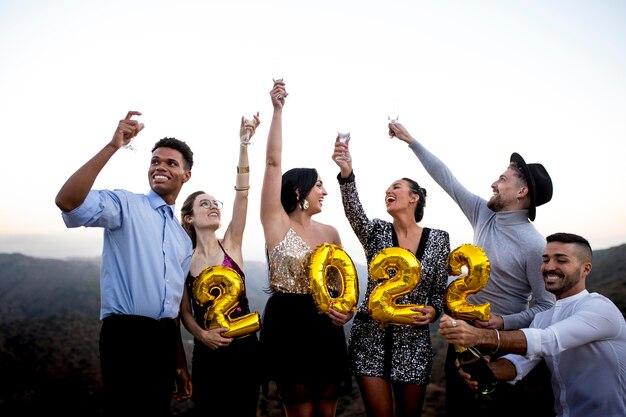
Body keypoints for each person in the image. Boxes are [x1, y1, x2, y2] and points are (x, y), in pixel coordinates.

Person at [388, 122, 556, 416]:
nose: (493, 183)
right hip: (462, 336)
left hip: (503, 347)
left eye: (502, 179)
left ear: (522, 191)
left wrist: (504, 321)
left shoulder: (534, 245)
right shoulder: (484, 213)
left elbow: (546, 306)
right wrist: (411, 141)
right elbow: (447, 179)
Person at [55, 111, 194, 417]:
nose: (160, 166)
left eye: (171, 163)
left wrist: (180, 365)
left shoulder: (183, 239)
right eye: (155, 161)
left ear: (186, 176)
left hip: (162, 341)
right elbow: (67, 201)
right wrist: (112, 146)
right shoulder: (124, 205)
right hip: (125, 336)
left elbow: (171, 308)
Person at [439, 232, 626, 417]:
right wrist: (485, 371)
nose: (549, 267)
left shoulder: (600, 309)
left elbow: (549, 340)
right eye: (545, 260)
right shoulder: (542, 318)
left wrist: (477, 335)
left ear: (585, 269)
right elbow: (518, 364)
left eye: (561, 260)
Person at [332, 137, 451, 417]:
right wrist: (346, 173)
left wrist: (433, 311)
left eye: (396, 186)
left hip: (414, 342)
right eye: (387, 188)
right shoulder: (376, 232)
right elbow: (354, 214)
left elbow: (438, 293)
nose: (389, 190)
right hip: (369, 338)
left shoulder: (439, 240)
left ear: (414, 197)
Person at [258, 80, 354, 417]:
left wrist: (347, 312)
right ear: (299, 192)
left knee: (326, 409)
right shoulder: (275, 222)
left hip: (326, 325)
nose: (324, 191)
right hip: (288, 324)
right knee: (298, 410)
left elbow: (345, 288)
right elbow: (272, 163)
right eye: (319, 185)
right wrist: (277, 111)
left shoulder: (331, 232)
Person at [179, 113, 261, 416]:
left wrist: (244, 144)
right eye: (205, 203)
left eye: (216, 203)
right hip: (208, 354)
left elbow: (242, 194)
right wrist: (202, 335)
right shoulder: (183, 261)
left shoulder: (233, 245)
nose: (214, 206)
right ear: (189, 218)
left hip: (246, 353)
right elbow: (185, 312)